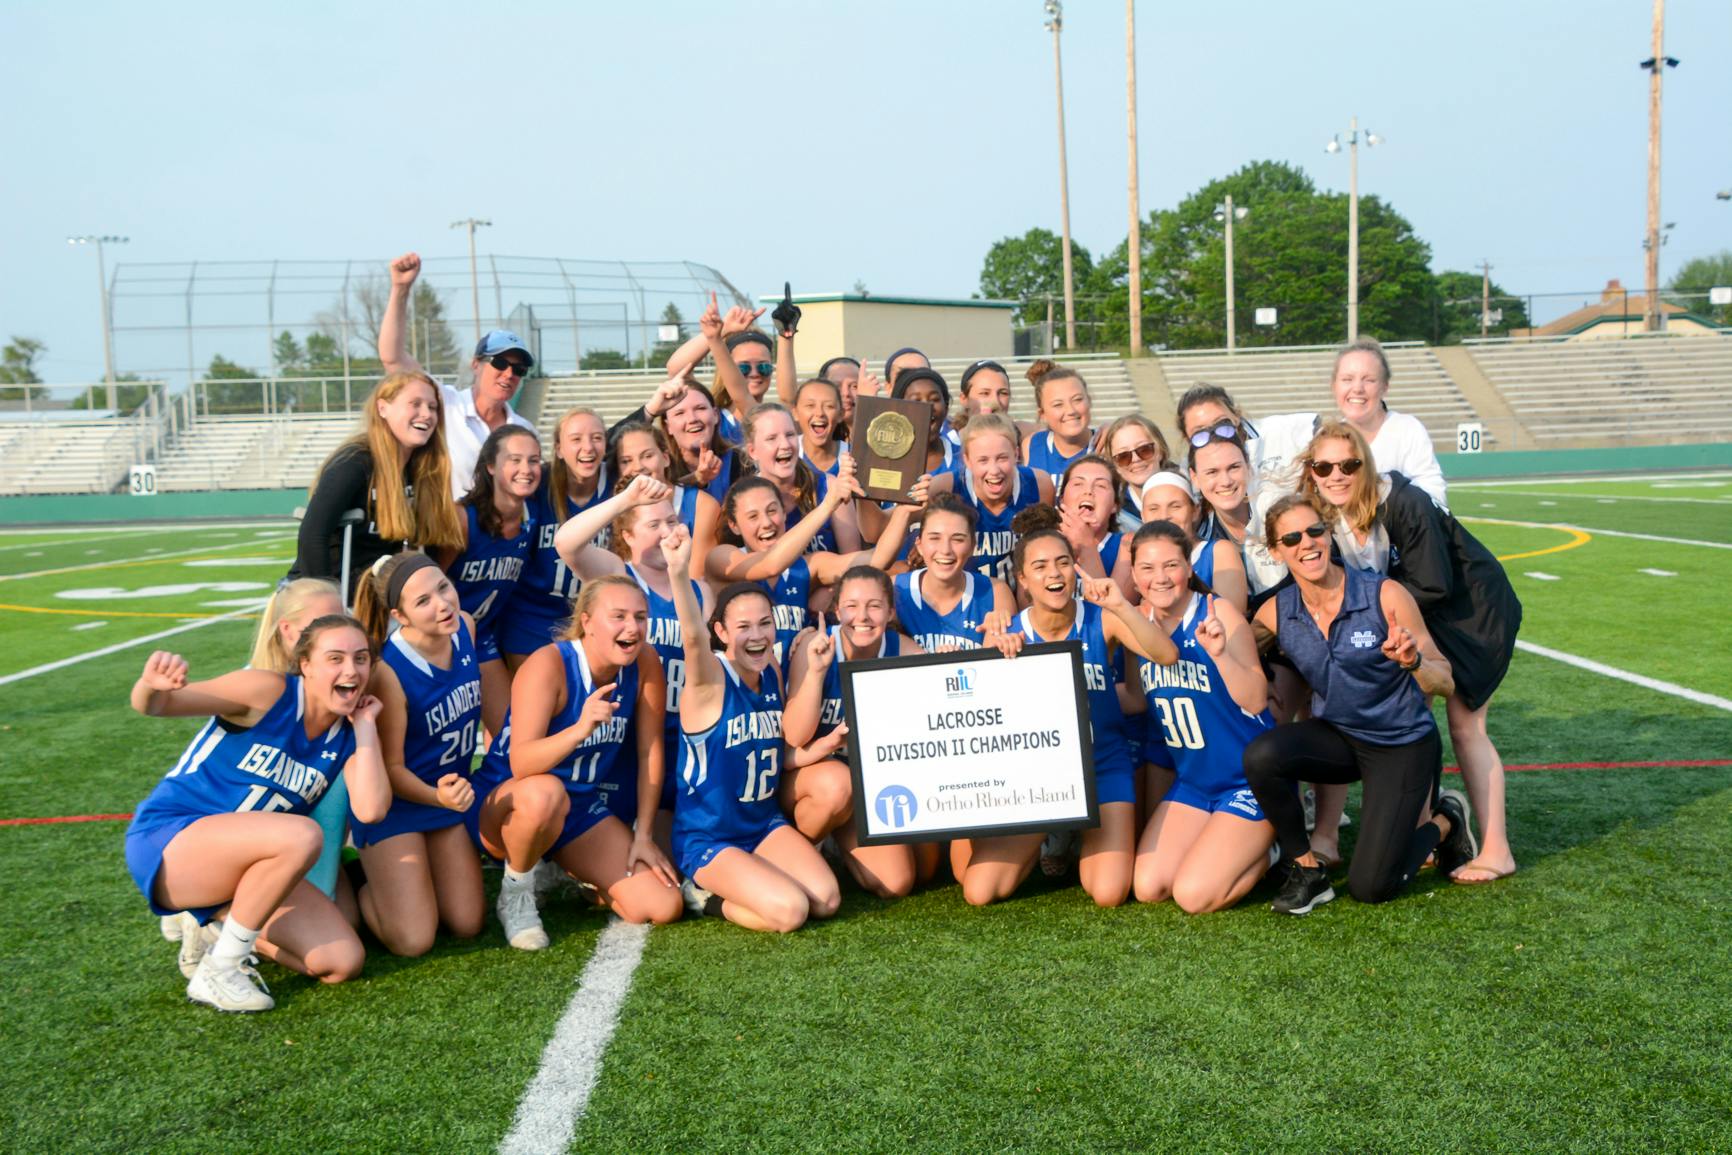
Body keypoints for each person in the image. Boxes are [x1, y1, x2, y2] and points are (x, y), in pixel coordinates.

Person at [123, 615, 389, 1012]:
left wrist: (366, 726)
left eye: (361, 658)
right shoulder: (269, 691)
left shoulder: (348, 732)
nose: (351, 670)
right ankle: (222, 968)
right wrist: (150, 686)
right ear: (306, 665)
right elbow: (159, 705)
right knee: (302, 834)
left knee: (342, 962)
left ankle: (219, 930)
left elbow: (371, 810)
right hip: (170, 843)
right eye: (335, 658)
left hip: (249, 869)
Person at [1299, 421, 1521, 883]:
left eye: (1348, 465)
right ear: (1311, 472)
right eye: (1324, 467)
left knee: (1466, 726)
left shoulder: (1403, 501)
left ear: (1365, 465)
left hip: (1471, 614)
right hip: (1416, 617)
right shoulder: (1325, 515)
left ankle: (1498, 850)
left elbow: (1434, 584)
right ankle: (1425, 828)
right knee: (1410, 716)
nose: (1336, 475)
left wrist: (1370, 619)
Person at [1243, 494, 1475, 913]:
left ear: (1328, 534)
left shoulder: (1384, 594)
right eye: (1291, 538)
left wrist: (1414, 662)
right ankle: (1307, 870)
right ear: (1276, 552)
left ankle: (1446, 820)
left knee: (1372, 887)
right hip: (1339, 738)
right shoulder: (1276, 611)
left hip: (1400, 743)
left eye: (1314, 531)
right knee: (1262, 756)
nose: (1306, 543)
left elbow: (1445, 680)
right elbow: (1238, 650)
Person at [953, 507, 1177, 907]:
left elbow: (1166, 655)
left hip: (1101, 764)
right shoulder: (1009, 634)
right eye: (1039, 567)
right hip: (1037, 779)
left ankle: (1076, 837)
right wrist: (996, 660)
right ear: (1022, 579)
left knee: (1108, 893)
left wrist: (1122, 605)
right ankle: (1053, 832)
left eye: (1062, 563)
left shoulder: (1102, 619)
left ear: (1075, 568)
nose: (1054, 574)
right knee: (979, 891)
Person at [468, 575, 681, 949]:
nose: (632, 627)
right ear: (587, 622)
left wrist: (644, 835)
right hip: (510, 805)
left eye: (640, 617)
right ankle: (517, 894)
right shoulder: (549, 664)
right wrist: (580, 729)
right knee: (545, 793)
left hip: (577, 808)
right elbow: (522, 763)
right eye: (618, 616)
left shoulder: (645, 660)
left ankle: (565, 868)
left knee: (662, 905)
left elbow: (650, 750)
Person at [662, 525, 842, 932]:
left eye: (765, 624)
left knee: (827, 900)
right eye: (743, 627)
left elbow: (773, 752)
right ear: (721, 633)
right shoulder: (709, 680)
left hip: (761, 824)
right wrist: (678, 571)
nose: (757, 636)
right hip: (709, 836)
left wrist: (819, 748)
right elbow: (692, 637)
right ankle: (704, 897)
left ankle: (754, 879)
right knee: (791, 911)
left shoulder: (771, 671)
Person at [553, 473, 713, 842]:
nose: (666, 532)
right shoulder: (617, 575)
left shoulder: (700, 590)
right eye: (653, 525)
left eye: (671, 521)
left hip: (683, 732)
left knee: (674, 847)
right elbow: (566, 543)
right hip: (626, 733)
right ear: (627, 536)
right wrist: (625, 501)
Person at [1128, 521, 1277, 913]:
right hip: (1194, 783)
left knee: (1193, 895)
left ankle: (1271, 851)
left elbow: (1256, 699)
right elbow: (1135, 700)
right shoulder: (1137, 624)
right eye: (1147, 568)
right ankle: (1229, 842)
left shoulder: (1216, 611)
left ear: (1189, 568)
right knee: (1149, 886)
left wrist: (1220, 655)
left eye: (1171, 565)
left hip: (1249, 780)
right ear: (1134, 576)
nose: (1160, 578)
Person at [347, 553, 485, 956]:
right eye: (423, 601)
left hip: (444, 801)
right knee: (414, 940)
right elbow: (391, 768)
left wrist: (445, 799)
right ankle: (362, 883)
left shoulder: (465, 627)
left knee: (467, 922)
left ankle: (407, 882)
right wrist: (437, 796)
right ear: (399, 615)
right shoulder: (389, 671)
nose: (442, 604)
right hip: (399, 805)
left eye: (443, 587)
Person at [784, 567, 931, 898]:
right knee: (838, 785)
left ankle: (838, 837)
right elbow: (794, 736)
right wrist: (817, 674)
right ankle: (799, 854)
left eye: (874, 606)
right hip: (809, 775)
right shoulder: (814, 645)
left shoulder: (905, 652)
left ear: (890, 612)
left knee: (898, 882)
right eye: (851, 606)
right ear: (837, 611)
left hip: (866, 784)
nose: (862, 616)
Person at [706, 471, 920, 664]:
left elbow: (877, 560)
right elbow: (770, 564)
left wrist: (903, 511)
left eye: (772, 511)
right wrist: (828, 505)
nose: (767, 522)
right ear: (734, 525)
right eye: (753, 516)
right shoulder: (722, 558)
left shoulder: (809, 565)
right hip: (746, 687)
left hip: (797, 684)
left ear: (784, 513)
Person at [377, 252, 537, 499]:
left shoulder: (524, 430)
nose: (509, 374)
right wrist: (400, 289)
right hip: (445, 524)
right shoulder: (445, 404)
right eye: (500, 362)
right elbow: (392, 358)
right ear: (475, 364)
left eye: (519, 369)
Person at [290, 371, 464, 593]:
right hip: (332, 593)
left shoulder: (424, 469)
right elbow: (313, 535)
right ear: (382, 408)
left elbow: (431, 544)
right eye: (415, 404)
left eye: (432, 407)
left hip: (378, 595)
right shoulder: (355, 461)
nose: (426, 414)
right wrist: (326, 602)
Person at [440, 424, 541, 735]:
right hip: (441, 639)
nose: (526, 469)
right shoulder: (461, 519)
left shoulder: (532, 519)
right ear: (491, 466)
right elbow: (429, 580)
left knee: (512, 735)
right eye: (514, 460)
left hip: (482, 639)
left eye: (534, 460)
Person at [497, 407, 611, 668]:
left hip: (592, 617)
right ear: (558, 449)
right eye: (576, 439)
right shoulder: (538, 483)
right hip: (532, 617)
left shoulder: (617, 483)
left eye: (597, 437)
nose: (588, 447)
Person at [929, 413, 1055, 584]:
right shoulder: (944, 487)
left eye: (1002, 458)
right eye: (983, 460)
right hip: (966, 595)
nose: (994, 470)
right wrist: (907, 508)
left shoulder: (1039, 484)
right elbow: (889, 526)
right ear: (967, 460)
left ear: (1016, 454)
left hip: (1023, 593)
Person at [892, 493, 1019, 653]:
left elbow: (998, 662)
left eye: (957, 539)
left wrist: (961, 663)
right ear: (919, 545)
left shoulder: (995, 592)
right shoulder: (894, 589)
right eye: (935, 538)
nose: (945, 550)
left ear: (973, 546)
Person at [739, 403, 862, 557]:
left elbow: (853, 562)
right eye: (772, 438)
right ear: (752, 451)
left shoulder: (830, 487)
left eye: (790, 435)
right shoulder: (743, 500)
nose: (785, 445)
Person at [609, 419, 722, 577]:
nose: (638, 467)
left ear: (666, 458)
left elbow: (698, 577)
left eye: (647, 456)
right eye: (626, 461)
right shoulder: (616, 507)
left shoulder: (702, 505)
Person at [1139, 471, 1249, 615]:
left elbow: (1232, 620)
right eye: (1153, 509)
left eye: (1175, 506)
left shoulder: (1218, 552)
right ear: (1142, 516)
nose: (1164, 516)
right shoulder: (1140, 561)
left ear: (1195, 511)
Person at [1055, 454, 1133, 598]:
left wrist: (1087, 545)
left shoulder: (1128, 546)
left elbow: (1114, 608)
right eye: (1078, 484)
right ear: (1061, 500)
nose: (1088, 491)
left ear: (1115, 505)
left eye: (1101, 486)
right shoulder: (1040, 543)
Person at [1022, 360, 1095, 477]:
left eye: (1077, 400)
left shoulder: (1108, 444)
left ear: (1089, 401)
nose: (1071, 410)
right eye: (1058, 404)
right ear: (1042, 414)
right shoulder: (1032, 445)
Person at [1103, 415, 1175, 533]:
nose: (1135, 459)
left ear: (1161, 451)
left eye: (1144, 449)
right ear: (1115, 466)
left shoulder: (1192, 494)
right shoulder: (1114, 516)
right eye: (1123, 456)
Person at [891, 368, 961, 476]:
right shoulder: (883, 460)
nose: (927, 406)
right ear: (898, 410)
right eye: (916, 400)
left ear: (946, 407)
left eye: (934, 399)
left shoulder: (963, 457)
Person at [793, 377, 848, 477]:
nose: (819, 413)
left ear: (841, 414)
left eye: (829, 406)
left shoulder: (854, 457)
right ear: (795, 413)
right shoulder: (787, 453)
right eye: (810, 405)